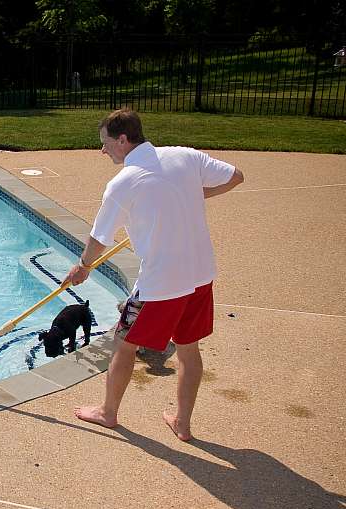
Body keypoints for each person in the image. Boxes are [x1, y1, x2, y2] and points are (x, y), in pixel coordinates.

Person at [64, 108, 244, 441]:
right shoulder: (184, 156)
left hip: (161, 284)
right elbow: (236, 176)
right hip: (201, 274)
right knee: (189, 349)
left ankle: (108, 413)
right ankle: (183, 424)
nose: (102, 151)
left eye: (104, 143)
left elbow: (98, 239)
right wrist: (194, 194)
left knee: (124, 344)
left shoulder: (123, 183)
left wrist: (83, 267)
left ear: (122, 139)